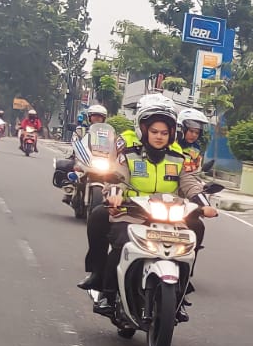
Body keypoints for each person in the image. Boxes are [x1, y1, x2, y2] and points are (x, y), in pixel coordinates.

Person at [77, 96, 214, 317]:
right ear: (144, 131)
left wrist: (204, 205)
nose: (159, 136)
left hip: (168, 214)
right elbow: (118, 178)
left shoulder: (177, 158)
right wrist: (115, 196)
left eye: (164, 133)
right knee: (118, 238)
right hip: (132, 212)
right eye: (154, 131)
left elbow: (190, 183)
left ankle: (181, 289)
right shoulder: (129, 155)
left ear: (171, 134)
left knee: (196, 228)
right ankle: (106, 292)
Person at [176, 108, 210, 173]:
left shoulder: (196, 149)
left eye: (197, 133)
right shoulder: (172, 146)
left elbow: (196, 169)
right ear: (182, 129)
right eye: (191, 131)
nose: (194, 135)